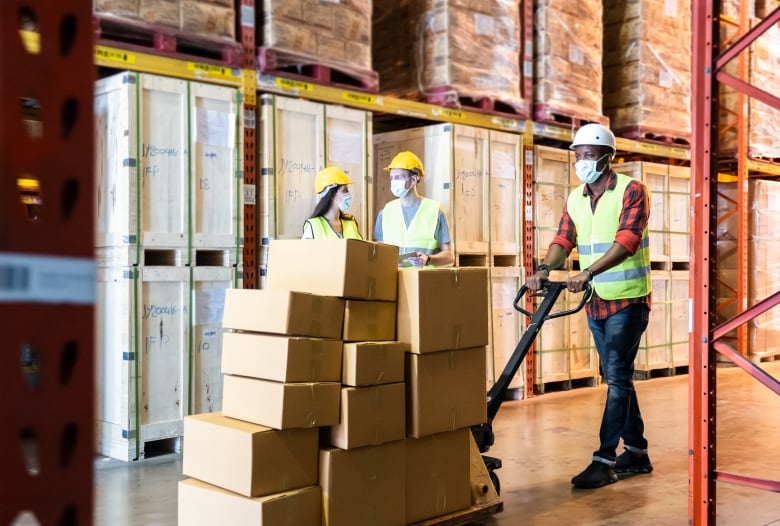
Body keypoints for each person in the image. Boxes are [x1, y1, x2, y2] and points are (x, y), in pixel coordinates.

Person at [526, 123, 653, 489]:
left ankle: (604, 460)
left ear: (607, 157)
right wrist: (544, 269)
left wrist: (588, 271)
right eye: (577, 155)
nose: (582, 162)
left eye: (589, 155)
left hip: (628, 298)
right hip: (595, 300)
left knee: (616, 377)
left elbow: (627, 240)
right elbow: (564, 238)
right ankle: (638, 453)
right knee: (619, 377)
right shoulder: (575, 198)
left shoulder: (632, 190)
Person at [373, 151, 453, 267]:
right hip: (393, 280)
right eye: (392, 178)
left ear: (414, 179)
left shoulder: (435, 211)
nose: (393, 182)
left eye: (398, 177)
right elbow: (378, 254)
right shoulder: (385, 212)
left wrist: (428, 259)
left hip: (424, 281)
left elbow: (449, 257)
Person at [301, 167, 362, 240]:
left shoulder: (351, 223)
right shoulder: (313, 226)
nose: (348, 194)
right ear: (331, 194)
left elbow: (360, 249)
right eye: (344, 190)